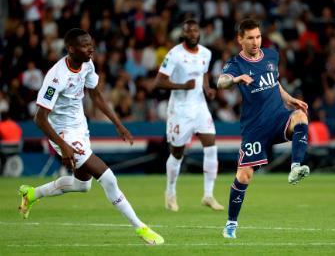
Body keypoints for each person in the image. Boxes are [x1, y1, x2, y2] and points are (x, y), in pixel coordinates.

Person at [18, 28, 164, 245]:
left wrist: (118, 124)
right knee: (108, 178)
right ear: (70, 49)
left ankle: (31, 194)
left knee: (82, 185)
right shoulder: (56, 77)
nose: (91, 48)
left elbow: (96, 95)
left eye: (91, 44)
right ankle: (141, 228)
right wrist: (63, 145)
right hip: (62, 133)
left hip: (80, 128)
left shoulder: (87, 64)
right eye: (85, 45)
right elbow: (39, 118)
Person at [217, 19, 310, 239]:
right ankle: (231, 224)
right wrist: (236, 79)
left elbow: (274, 83)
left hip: (278, 118)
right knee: (244, 176)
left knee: (300, 116)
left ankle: (296, 166)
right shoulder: (235, 64)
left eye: (258, 36)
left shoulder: (271, 56)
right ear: (240, 39)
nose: (255, 41)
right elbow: (221, 82)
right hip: (255, 128)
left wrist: (290, 99)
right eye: (250, 37)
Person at [153, 19, 224, 212]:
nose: (192, 34)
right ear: (183, 34)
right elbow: (159, 82)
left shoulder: (206, 53)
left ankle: (208, 195)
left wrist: (207, 88)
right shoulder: (174, 54)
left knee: (211, 146)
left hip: (200, 107)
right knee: (177, 153)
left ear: (199, 33)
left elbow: (204, 73)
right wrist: (182, 86)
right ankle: (170, 193)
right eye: (189, 32)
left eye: (195, 31)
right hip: (180, 110)